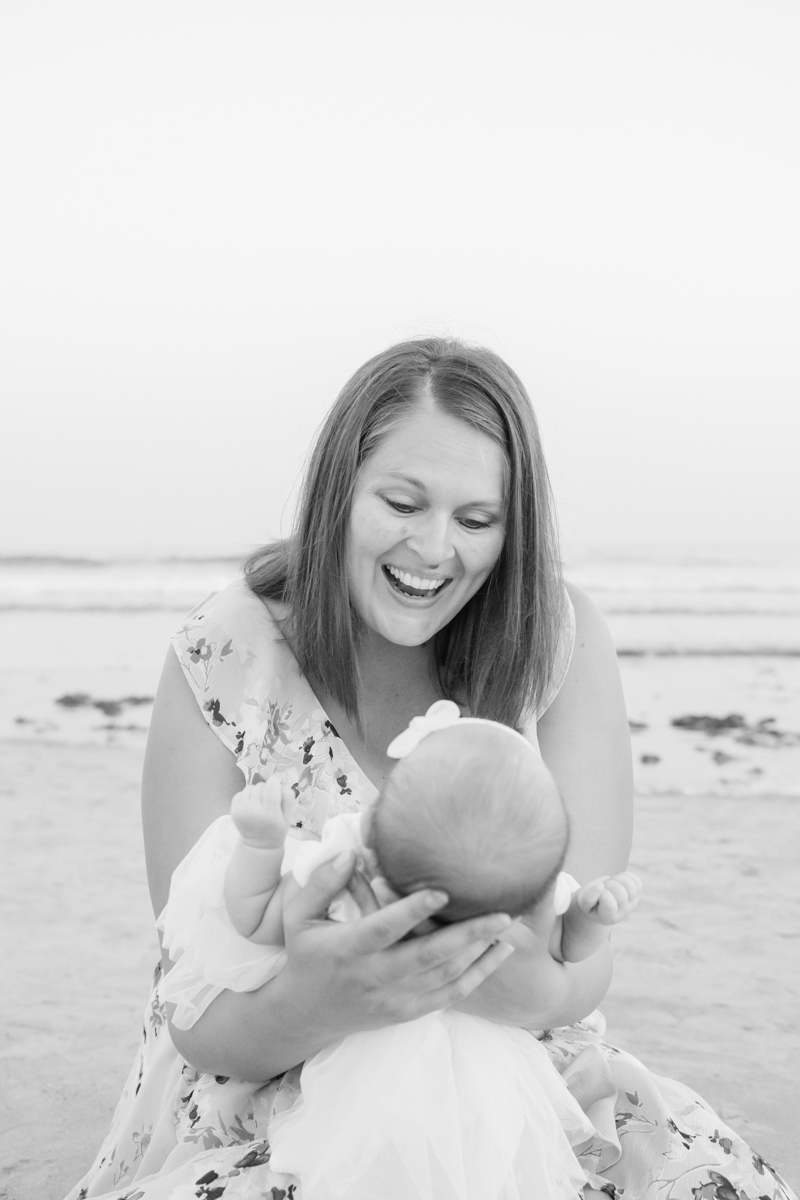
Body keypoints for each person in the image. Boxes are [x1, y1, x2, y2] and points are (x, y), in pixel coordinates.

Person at [66, 337, 796, 1200]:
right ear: (340, 488)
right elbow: (199, 1017)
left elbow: (581, 958)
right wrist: (333, 995)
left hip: (509, 1063)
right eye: (403, 502)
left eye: (477, 520)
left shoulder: (555, 641)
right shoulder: (224, 652)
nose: (433, 550)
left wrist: (515, 984)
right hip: (265, 1076)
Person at [155, 701, 643, 1199]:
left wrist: (261, 848)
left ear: (371, 829)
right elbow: (566, 946)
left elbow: (254, 919)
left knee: (348, 1163)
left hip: (359, 1065)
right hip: (483, 1071)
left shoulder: (348, 871)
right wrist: (589, 915)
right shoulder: (515, 894)